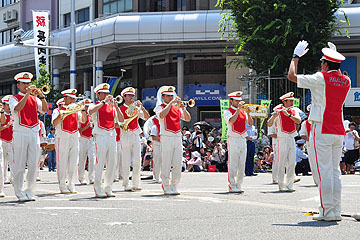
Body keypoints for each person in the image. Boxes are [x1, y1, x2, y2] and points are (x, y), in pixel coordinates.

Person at [288, 40, 351, 221]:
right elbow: (335, 73)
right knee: (334, 171)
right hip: (338, 130)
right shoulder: (346, 80)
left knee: (324, 172)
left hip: (321, 128)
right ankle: (336, 210)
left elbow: (292, 76)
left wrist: (295, 56)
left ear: (324, 64)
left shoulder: (319, 78)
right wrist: (334, 57)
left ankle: (326, 211)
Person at [9, 72, 49, 201]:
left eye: (28, 83)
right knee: (19, 164)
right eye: (24, 83)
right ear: (18, 85)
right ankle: (19, 191)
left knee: (33, 164)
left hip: (33, 132)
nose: (27, 85)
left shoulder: (35, 98)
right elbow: (18, 109)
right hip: (20, 132)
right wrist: (27, 94)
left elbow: (44, 110)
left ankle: (30, 191)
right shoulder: (13, 98)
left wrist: (42, 96)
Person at [89, 83, 124, 198]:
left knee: (112, 163)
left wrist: (116, 106)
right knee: (100, 162)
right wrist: (103, 102)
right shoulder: (94, 104)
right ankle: (98, 187)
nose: (107, 95)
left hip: (111, 135)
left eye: (107, 93)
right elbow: (90, 111)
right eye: (103, 94)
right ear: (98, 95)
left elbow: (121, 120)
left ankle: (108, 187)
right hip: (100, 135)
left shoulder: (112, 107)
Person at [154, 86, 191, 195]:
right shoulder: (159, 107)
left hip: (177, 137)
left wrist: (183, 108)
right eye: (168, 96)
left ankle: (174, 185)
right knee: (166, 162)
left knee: (178, 163)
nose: (171, 97)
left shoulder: (177, 108)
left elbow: (188, 118)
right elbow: (161, 115)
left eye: (172, 95)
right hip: (166, 136)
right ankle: (166, 185)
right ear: (163, 97)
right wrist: (171, 104)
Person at [52, 89, 86, 194]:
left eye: (73, 98)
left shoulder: (76, 110)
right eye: (70, 98)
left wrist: (83, 110)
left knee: (74, 163)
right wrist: (63, 113)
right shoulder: (57, 110)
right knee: (62, 163)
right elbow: (54, 122)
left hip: (74, 137)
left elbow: (83, 121)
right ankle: (62, 185)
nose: (72, 100)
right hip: (62, 138)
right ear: (65, 98)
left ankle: (71, 184)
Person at [268, 92, 301, 192]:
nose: (292, 102)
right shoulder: (278, 111)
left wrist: (289, 115)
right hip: (282, 138)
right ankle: (281, 184)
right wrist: (274, 116)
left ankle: (290, 184)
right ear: (284, 102)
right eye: (290, 101)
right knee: (281, 162)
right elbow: (269, 124)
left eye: (292, 101)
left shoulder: (293, 111)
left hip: (291, 138)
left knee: (291, 162)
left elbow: (298, 121)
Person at [120, 87, 150, 191]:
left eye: (133, 95)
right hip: (125, 134)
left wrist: (142, 107)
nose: (132, 97)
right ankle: (126, 183)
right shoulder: (120, 109)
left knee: (137, 160)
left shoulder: (136, 108)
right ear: (124, 97)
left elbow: (146, 117)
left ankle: (136, 183)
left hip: (135, 134)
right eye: (129, 95)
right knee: (126, 160)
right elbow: (119, 122)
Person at [223, 91, 253, 193]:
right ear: (231, 101)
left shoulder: (243, 111)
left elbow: (250, 123)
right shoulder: (227, 111)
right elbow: (231, 120)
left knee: (241, 163)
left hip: (242, 138)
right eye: (236, 100)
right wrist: (239, 109)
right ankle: (232, 184)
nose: (239, 102)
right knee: (233, 162)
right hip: (233, 138)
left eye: (240, 100)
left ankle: (239, 184)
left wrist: (248, 113)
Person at [78, 99, 96, 185]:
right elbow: (78, 130)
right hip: (82, 139)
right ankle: (82, 178)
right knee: (82, 159)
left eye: (88, 106)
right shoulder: (79, 116)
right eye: (86, 106)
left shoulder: (92, 116)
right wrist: (86, 127)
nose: (87, 108)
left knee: (92, 158)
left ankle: (91, 177)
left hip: (91, 139)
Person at [0, 95, 13, 185]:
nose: (9, 106)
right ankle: (4, 178)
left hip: (12, 140)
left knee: (13, 160)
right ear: (4, 105)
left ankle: (12, 177)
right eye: (8, 104)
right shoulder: (1, 115)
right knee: (3, 161)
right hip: (3, 140)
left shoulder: (14, 115)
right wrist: (6, 126)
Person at [150, 116, 161, 183]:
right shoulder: (154, 127)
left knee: (165, 161)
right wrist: (163, 139)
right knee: (157, 161)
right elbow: (153, 137)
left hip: (164, 145)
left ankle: (164, 176)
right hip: (157, 145)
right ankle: (157, 177)